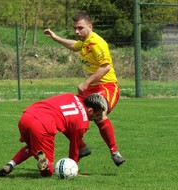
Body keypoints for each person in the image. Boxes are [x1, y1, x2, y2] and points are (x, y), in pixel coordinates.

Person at [43, 11, 125, 166]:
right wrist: (55, 38)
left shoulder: (97, 42)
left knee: (98, 113)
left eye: (80, 28)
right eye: (75, 28)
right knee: (68, 117)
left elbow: (106, 67)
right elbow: (75, 46)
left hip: (106, 87)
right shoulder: (85, 42)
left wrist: (86, 83)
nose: (76, 31)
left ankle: (115, 152)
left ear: (90, 26)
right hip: (91, 88)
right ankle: (81, 147)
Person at [0, 93, 107, 177]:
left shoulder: (71, 96)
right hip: (43, 126)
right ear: (90, 110)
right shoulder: (82, 123)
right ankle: (44, 163)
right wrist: (74, 171)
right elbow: (74, 148)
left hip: (27, 115)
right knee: (48, 172)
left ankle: (10, 165)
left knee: (34, 147)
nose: (98, 118)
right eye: (98, 115)